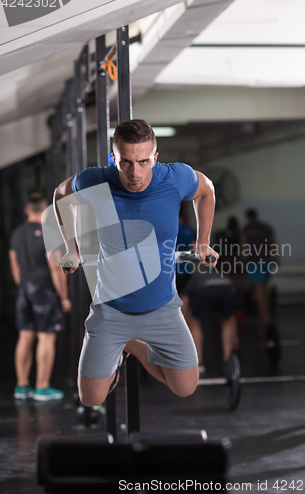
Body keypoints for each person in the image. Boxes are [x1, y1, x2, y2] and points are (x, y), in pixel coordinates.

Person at [53, 119, 219, 407]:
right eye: (125, 162)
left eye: (143, 161)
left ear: (155, 157)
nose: (135, 172)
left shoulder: (175, 178)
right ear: (113, 158)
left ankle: (133, 347)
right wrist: (72, 249)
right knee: (91, 399)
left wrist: (203, 241)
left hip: (163, 308)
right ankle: (120, 344)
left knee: (186, 388)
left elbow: (207, 190)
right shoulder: (96, 180)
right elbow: (61, 196)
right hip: (111, 310)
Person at [9, 193, 71, 401]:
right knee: (46, 336)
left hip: (24, 288)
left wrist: (24, 285)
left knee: (25, 336)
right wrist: (63, 296)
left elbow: (15, 266)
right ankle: (42, 387)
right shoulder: (48, 232)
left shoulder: (16, 233)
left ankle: (22, 386)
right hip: (44, 290)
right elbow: (55, 269)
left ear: (27, 210)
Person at [241, 208, 280, 364]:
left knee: (257, 289)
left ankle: (263, 315)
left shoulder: (247, 229)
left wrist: (238, 258)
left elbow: (243, 244)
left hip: (254, 261)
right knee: (264, 287)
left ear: (248, 217)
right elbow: (274, 242)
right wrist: (276, 257)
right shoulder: (267, 227)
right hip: (266, 260)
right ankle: (266, 313)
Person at [182, 268, 239, 372]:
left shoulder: (195, 278)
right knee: (226, 320)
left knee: (195, 322)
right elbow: (231, 317)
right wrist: (234, 336)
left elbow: (184, 302)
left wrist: (183, 325)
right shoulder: (222, 274)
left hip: (206, 289)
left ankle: (199, 363)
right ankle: (227, 361)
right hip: (227, 288)